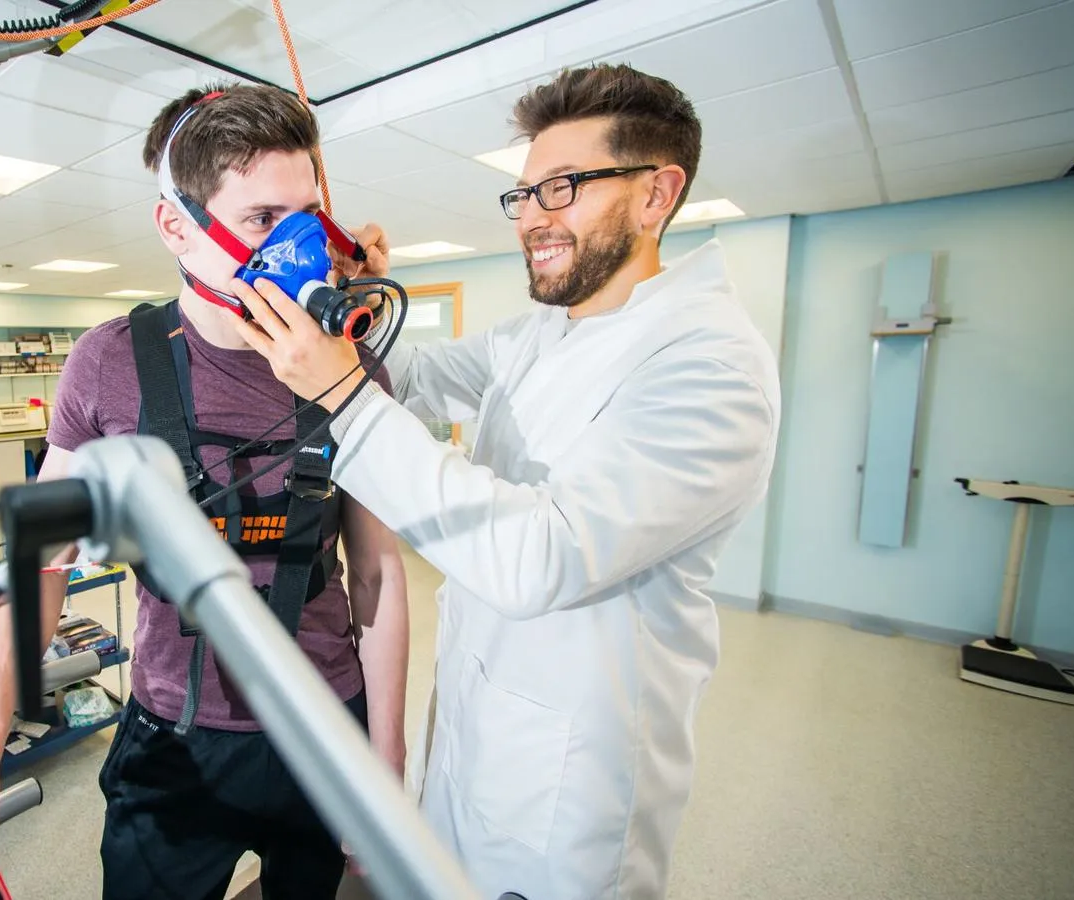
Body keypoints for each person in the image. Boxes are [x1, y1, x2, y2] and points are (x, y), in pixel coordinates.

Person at [232, 63, 782, 898]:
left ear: (656, 194)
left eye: (561, 189)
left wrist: (341, 389)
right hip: (478, 714)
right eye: (523, 195)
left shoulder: (711, 363)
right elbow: (407, 377)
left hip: (576, 768)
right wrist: (348, 306)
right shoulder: (543, 331)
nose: (531, 219)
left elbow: (543, 557)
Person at [0, 83, 411, 900]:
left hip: (323, 729)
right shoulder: (110, 363)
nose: (296, 245)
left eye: (307, 215)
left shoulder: (352, 364)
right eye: (264, 220)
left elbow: (376, 578)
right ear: (176, 226)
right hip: (172, 736)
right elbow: (42, 565)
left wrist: (386, 767)